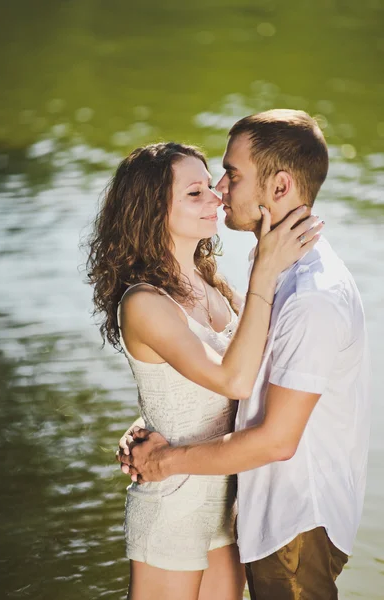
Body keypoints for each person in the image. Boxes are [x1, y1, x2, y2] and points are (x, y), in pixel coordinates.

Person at [119, 110, 371, 600]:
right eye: (201, 187)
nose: (219, 188)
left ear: (278, 188)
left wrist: (167, 458)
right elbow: (212, 373)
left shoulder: (309, 294)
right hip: (238, 509)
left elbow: (275, 438)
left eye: (231, 174)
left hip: (294, 514)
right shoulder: (269, 266)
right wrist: (152, 419)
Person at [87, 139, 322, 600]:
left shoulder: (215, 285)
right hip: (172, 502)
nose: (216, 195)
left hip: (226, 505)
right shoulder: (144, 302)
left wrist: (145, 422)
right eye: (194, 193)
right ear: (151, 211)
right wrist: (265, 274)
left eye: (210, 184)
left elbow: (241, 378)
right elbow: (232, 379)